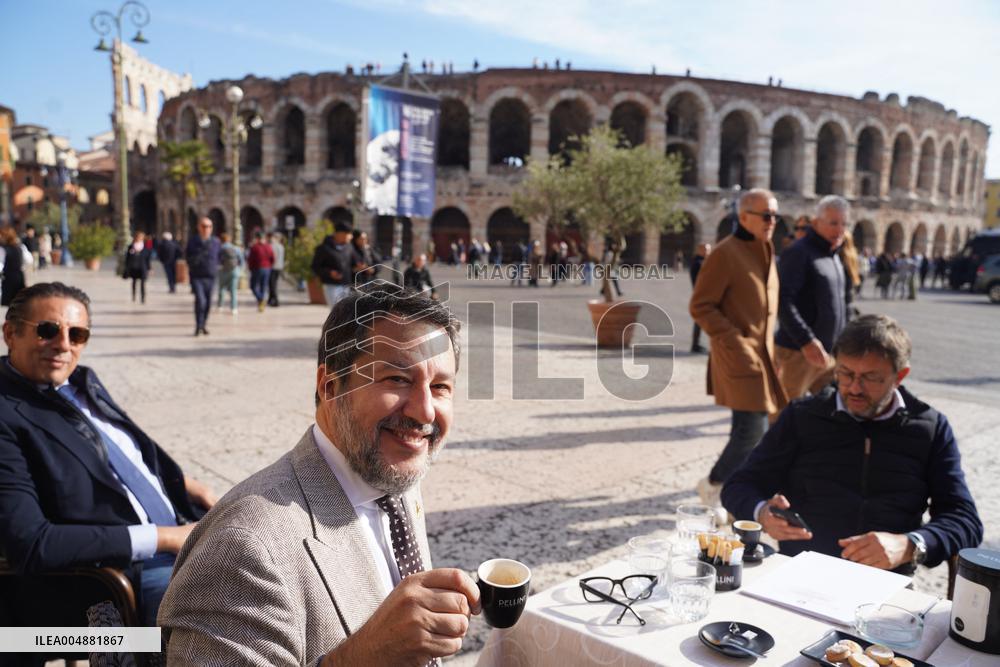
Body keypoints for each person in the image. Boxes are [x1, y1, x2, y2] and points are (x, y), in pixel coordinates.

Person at [159, 284, 480, 664]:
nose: (425, 411)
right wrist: (362, 657)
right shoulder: (245, 547)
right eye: (397, 379)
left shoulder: (393, 480)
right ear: (330, 387)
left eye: (440, 387)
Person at [0, 282, 217, 625]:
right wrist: (165, 538)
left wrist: (190, 487)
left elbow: (117, 454)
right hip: (104, 584)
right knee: (221, 614)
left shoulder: (81, 382)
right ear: (10, 333)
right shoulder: (6, 413)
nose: (63, 345)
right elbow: (32, 543)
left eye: (77, 335)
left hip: (181, 534)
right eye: (48, 330)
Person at [721, 315, 983, 573]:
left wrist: (909, 546)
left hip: (886, 583)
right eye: (845, 374)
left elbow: (965, 521)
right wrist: (762, 512)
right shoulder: (803, 416)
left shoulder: (931, 428)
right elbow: (739, 486)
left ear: (899, 376)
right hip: (801, 572)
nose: (854, 388)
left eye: (870, 377)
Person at [689, 188, 787, 506]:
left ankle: (733, 489)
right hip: (740, 356)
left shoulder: (766, 249)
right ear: (744, 217)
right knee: (750, 430)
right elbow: (701, 306)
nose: (772, 221)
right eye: (766, 215)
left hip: (763, 358)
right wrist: (736, 342)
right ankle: (715, 484)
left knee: (752, 429)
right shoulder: (725, 253)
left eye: (775, 215)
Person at [774, 195, 848, 402]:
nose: (839, 229)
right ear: (816, 223)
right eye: (833, 223)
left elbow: (841, 304)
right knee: (782, 415)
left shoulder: (833, 255)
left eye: (844, 223)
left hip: (828, 354)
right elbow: (782, 300)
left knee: (833, 410)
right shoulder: (799, 253)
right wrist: (806, 340)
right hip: (798, 352)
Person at [311, 221, 362, 307]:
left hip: (347, 285)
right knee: (336, 311)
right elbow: (315, 267)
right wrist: (329, 272)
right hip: (332, 285)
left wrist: (359, 265)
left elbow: (355, 261)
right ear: (339, 234)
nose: (351, 237)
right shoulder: (324, 248)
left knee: (347, 312)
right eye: (348, 234)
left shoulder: (349, 247)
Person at [186, 217, 221, 336]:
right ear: (199, 227)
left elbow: (219, 257)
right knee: (200, 301)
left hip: (210, 276)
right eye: (204, 226)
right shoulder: (193, 241)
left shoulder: (216, 242)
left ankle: (203, 324)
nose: (207, 229)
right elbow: (187, 256)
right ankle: (198, 325)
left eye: (209, 226)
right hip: (197, 276)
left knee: (208, 303)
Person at [689, 242, 711, 353]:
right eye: (706, 250)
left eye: (709, 250)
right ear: (700, 250)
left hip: (701, 294)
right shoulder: (699, 263)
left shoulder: (700, 262)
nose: (708, 252)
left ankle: (696, 344)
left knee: (700, 320)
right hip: (701, 295)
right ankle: (695, 344)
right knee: (702, 320)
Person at [246, 231, 274, 312]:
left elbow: (250, 259)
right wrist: (269, 266)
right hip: (267, 269)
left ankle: (261, 299)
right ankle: (261, 304)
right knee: (263, 287)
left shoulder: (254, 247)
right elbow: (272, 258)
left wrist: (250, 268)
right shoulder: (268, 247)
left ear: (257, 238)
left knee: (253, 286)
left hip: (257, 269)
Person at [1, 226, 27, 306]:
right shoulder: (20, 247)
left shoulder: (3, 249)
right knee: (18, 303)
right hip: (19, 276)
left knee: (9, 304)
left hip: (9, 278)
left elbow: (0, 265)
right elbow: (29, 259)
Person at [123, 231, 153, 304]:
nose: (139, 238)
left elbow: (148, 259)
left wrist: (150, 268)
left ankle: (143, 297)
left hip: (143, 267)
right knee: (134, 282)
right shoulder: (131, 246)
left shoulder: (145, 247)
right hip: (134, 267)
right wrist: (126, 268)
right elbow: (127, 258)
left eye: (141, 237)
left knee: (143, 283)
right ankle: (134, 295)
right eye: (138, 237)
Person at [216, 233, 242, 315]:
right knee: (233, 290)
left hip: (223, 270)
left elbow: (216, 259)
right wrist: (239, 269)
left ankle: (220, 306)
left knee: (221, 289)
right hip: (234, 271)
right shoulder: (236, 248)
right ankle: (234, 308)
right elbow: (241, 260)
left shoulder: (220, 248)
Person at [267, 232, 285, 307]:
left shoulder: (272, 246)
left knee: (272, 284)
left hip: (273, 267)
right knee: (273, 283)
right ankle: (270, 299)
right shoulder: (281, 246)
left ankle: (276, 300)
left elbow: (273, 257)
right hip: (279, 267)